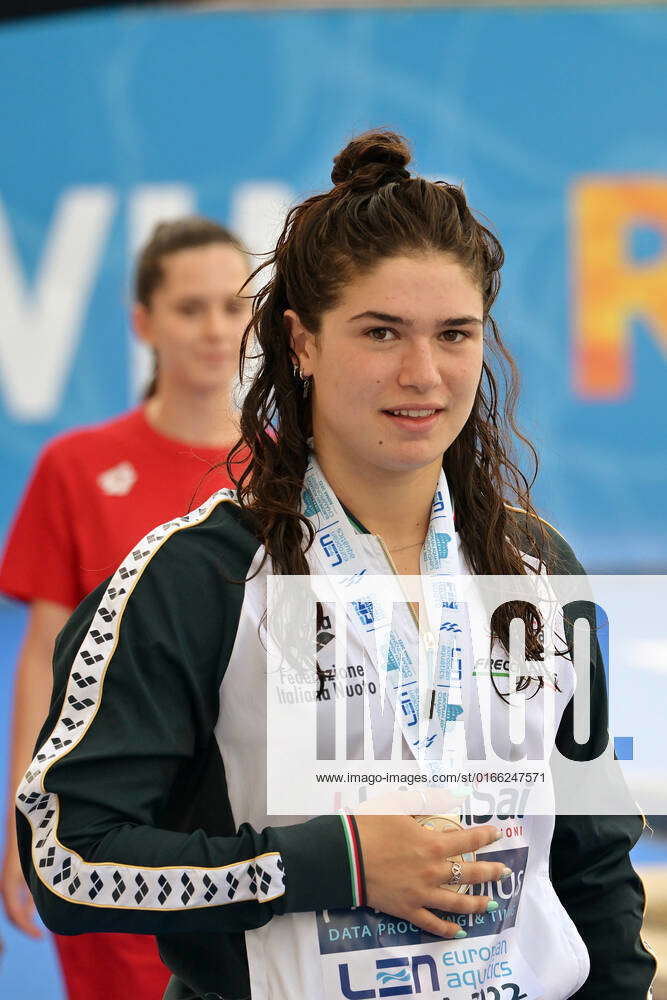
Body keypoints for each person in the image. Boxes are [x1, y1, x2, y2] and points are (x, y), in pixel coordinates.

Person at [15, 133, 655, 1000]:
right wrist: (325, 864)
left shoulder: (533, 567)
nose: (421, 373)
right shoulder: (193, 579)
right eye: (380, 331)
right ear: (302, 342)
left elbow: (591, 864)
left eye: (453, 333)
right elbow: (65, 858)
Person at [1, 215, 252, 999]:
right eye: (189, 308)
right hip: (110, 833)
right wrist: (25, 826)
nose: (215, 329)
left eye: (232, 306)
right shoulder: (75, 466)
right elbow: (46, 658)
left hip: (241, 841)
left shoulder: (290, 473)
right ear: (144, 321)